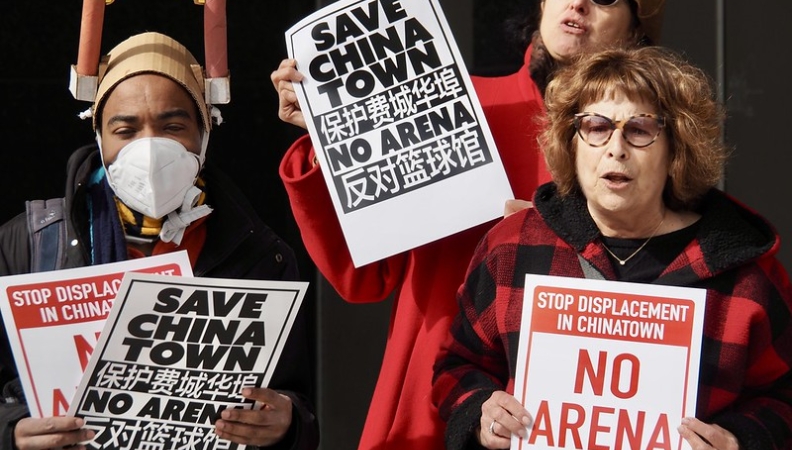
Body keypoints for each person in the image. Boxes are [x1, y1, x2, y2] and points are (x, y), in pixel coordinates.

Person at [270, 1, 666, 449]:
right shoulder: (455, 103)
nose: (577, 2)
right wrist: (334, 139)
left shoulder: (651, 147)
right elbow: (363, 277)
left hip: (564, 410)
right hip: (432, 401)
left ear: (638, 27)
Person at [431, 45, 792, 450]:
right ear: (573, 143)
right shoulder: (513, 246)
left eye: (639, 129)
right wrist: (481, 413)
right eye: (597, 127)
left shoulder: (746, 276)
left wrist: (738, 442)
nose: (615, 148)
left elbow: (784, 398)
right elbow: (456, 366)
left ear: (676, 149)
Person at [0, 32, 319, 450]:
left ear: (203, 134)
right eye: (125, 130)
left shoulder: (260, 256)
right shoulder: (28, 242)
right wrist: (10, 432)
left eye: (172, 126)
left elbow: (296, 403)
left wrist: (286, 424)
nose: (149, 149)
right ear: (99, 138)